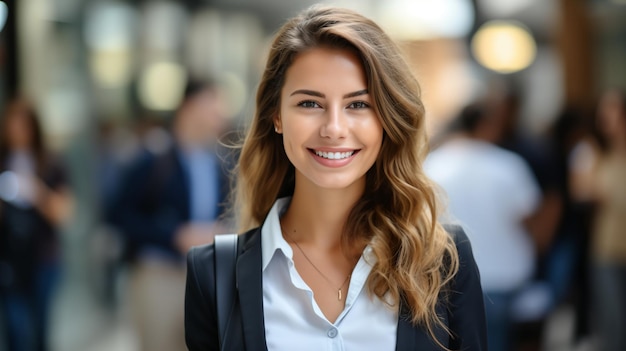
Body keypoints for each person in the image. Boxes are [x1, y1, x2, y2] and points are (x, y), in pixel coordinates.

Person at [184, 5, 487, 351]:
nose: (334, 129)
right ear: (276, 116)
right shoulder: (213, 276)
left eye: (358, 105)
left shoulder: (443, 260)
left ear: (387, 118)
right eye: (310, 104)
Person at [108, 80, 232, 351]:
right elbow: (118, 214)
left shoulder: (218, 163)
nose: (219, 116)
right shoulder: (152, 157)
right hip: (159, 275)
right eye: (213, 106)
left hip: (203, 277)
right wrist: (173, 235)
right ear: (189, 107)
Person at [424, 103, 541, 351]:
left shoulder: (431, 166)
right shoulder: (508, 165)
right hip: (502, 276)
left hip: (445, 276)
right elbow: (530, 220)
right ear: (486, 126)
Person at [0, 97, 73, 351]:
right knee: (16, 329)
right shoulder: (3, 161)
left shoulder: (51, 162)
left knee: (40, 329)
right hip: (9, 259)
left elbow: (64, 213)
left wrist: (35, 191)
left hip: (43, 257)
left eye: (23, 126)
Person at [570, 89, 626, 351]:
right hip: (606, 248)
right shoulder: (591, 150)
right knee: (613, 323)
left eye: (612, 110)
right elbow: (580, 190)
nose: (606, 117)